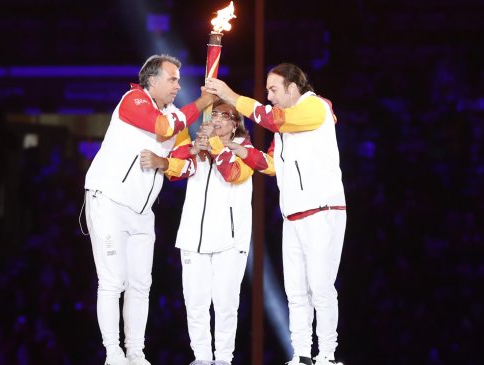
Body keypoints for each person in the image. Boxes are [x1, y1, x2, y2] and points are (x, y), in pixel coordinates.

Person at [205, 63, 346, 365]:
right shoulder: (287, 126)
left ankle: (328, 355)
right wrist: (232, 146)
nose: (269, 96)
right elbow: (269, 164)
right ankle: (303, 354)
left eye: (273, 90)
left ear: (293, 88)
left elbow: (272, 119)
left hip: (322, 210)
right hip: (293, 214)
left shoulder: (315, 108)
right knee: (295, 290)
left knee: (320, 286)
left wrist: (231, 96)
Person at [83, 54, 216, 365]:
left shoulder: (173, 114)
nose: (177, 85)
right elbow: (162, 126)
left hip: (142, 211)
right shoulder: (134, 99)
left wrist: (185, 153)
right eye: (172, 79)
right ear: (152, 81)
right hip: (110, 201)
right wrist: (200, 103)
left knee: (141, 283)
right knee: (113, 280)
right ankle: (113, 353)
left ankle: (135, 353)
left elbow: (183, 167)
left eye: (179, 80)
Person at [140, 100, 273, 365]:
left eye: (225, 115)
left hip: (229, 239)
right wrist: (184, 152)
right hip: (192, 235)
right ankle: (201, 357)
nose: (218, 120)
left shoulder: (245, 150)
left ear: (235, 123)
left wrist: (212, 145)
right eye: (214, 115)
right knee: (195, 302)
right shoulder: (202, 147)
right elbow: (181, 171)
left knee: (225, 303)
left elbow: (233, 174)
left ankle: (223, 358)